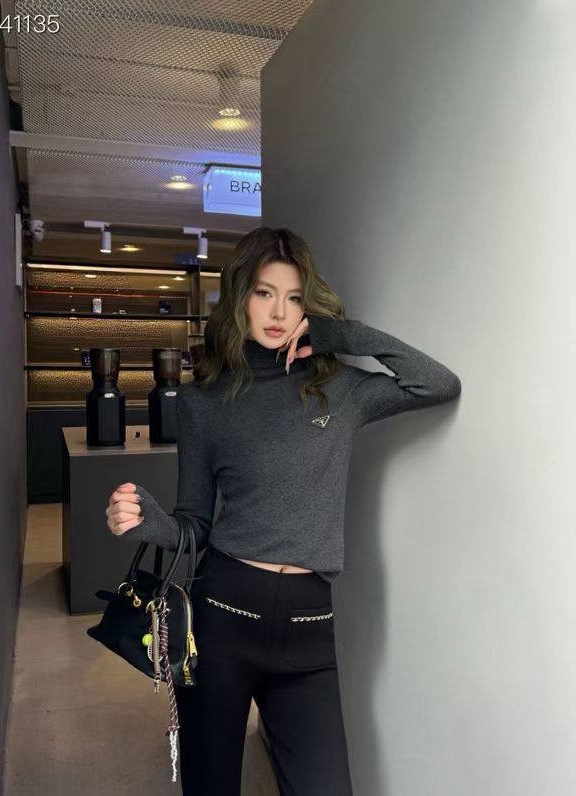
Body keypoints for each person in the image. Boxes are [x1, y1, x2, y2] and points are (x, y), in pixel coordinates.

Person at [106, 226, 462, 795]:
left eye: (294, 297)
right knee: (210, 786)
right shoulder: (203, 401)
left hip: (308, 626)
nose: (278, 312)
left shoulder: (339, 390)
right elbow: (195, 522)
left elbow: (437, 383)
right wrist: (154, 525)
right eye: (264, 292)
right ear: (239, 297)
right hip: (222, 616)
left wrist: (340, 335)